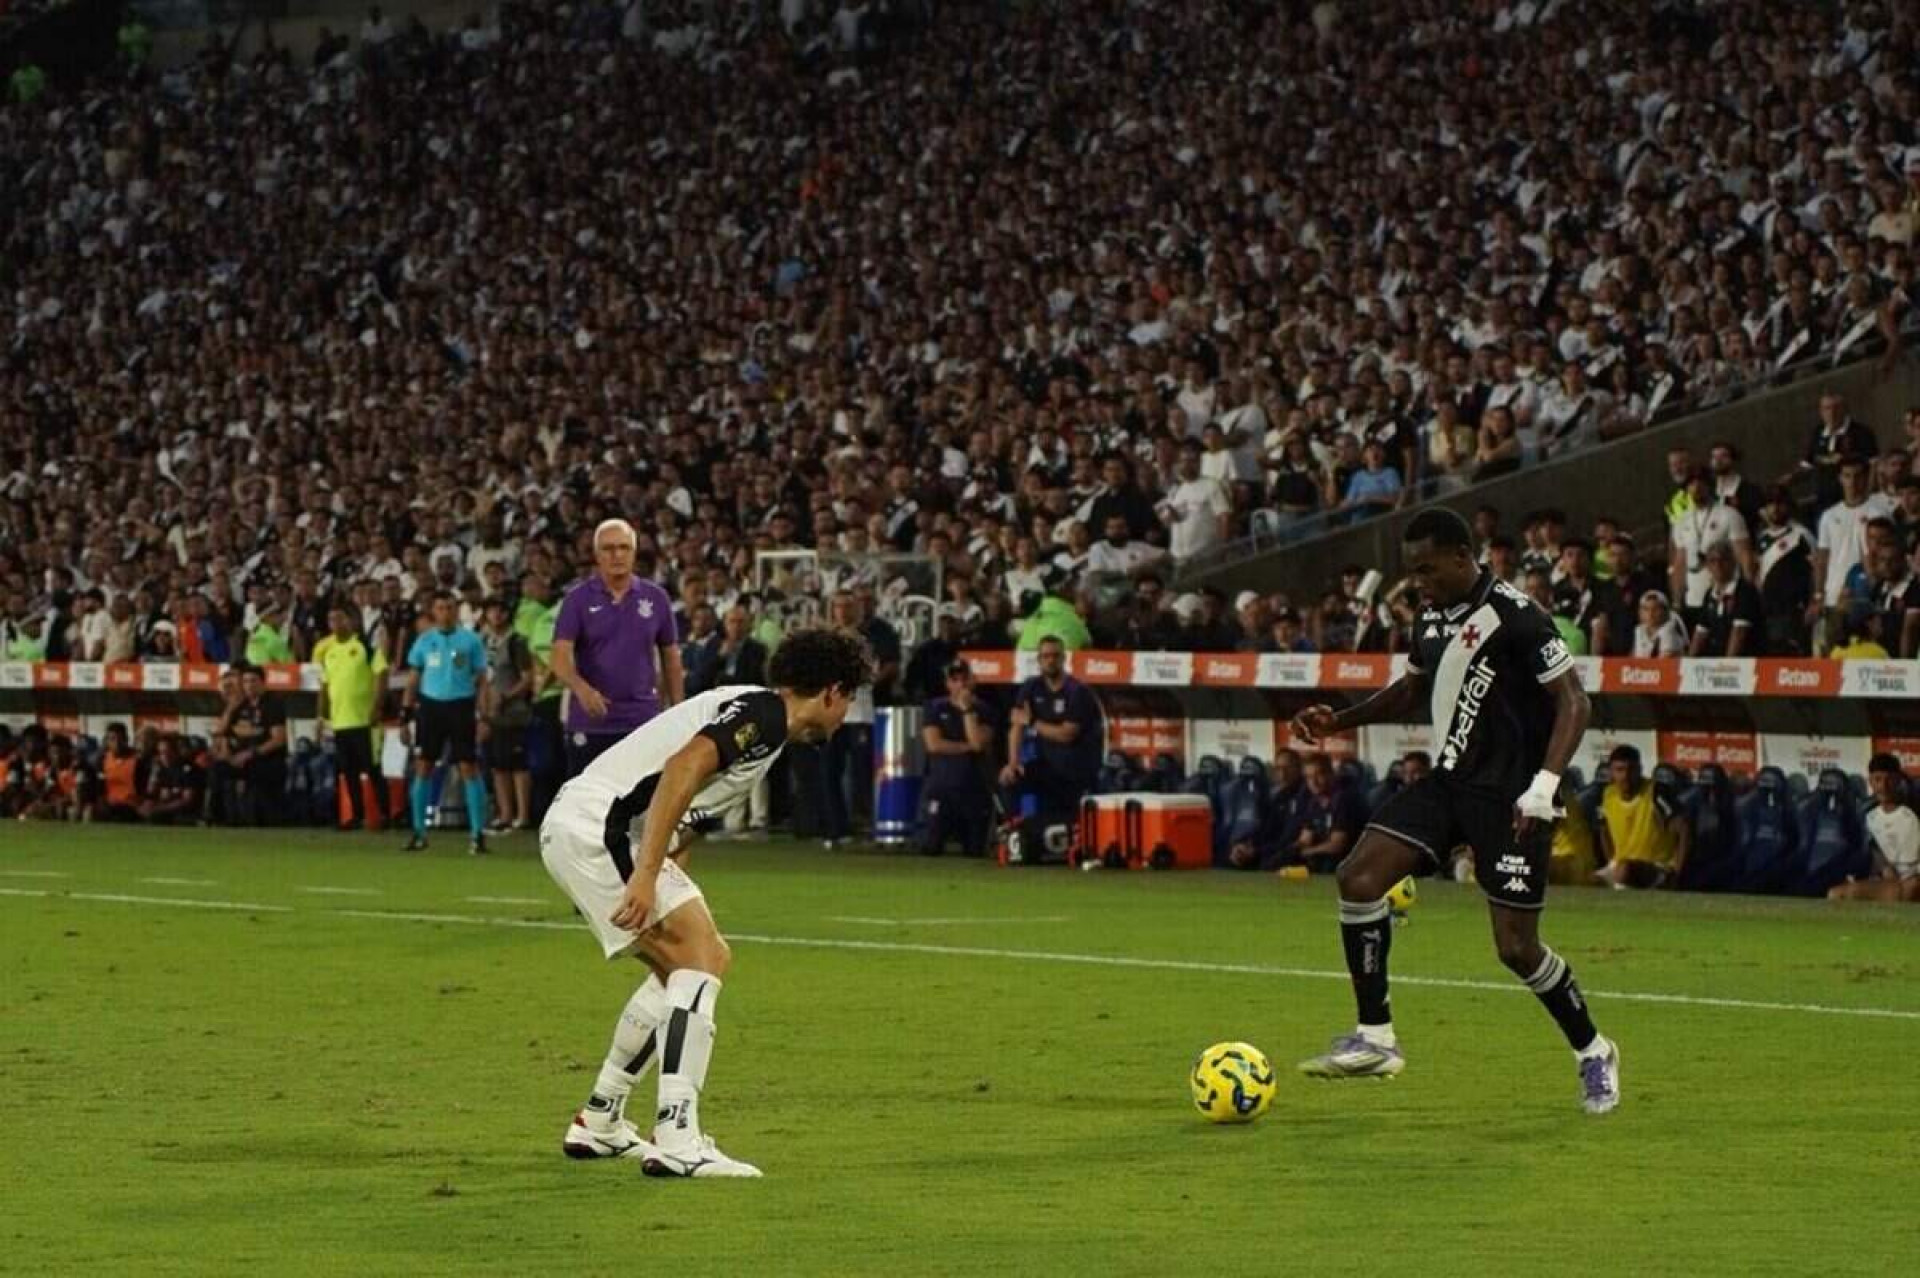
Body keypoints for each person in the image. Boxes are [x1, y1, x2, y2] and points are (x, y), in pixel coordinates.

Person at [1288, 506, 1618, 1114]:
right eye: (1413, 572)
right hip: (1447, 784)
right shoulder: (1432, 612)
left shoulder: (1518, 617)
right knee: (1358, 878)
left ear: (1464, 557)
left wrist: (1545, 785)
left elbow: (1575, 702)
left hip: (1514, 798)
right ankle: (1376, 1039)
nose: (1419, 582)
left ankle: (1594, 1050)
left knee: (1516, 949)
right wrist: (1341, 718)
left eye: (1427, 569)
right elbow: (1411, 688)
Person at [540, 628, 873, 1178]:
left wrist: (664, 870)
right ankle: (676, 1134)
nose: (847, 713)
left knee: (691, 965)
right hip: (600, 827)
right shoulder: (765, 714)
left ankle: (600, 1118)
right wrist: (646, 875)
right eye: (851, 698)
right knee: (702, 957)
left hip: (587, 827)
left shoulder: (759, 724)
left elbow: (683, 811)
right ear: (832, 691)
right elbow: (682, 768)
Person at [552, 520, 683, 777]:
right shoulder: (577, 600)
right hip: (591, 723)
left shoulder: (656, 598)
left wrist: (679, 711)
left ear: (634, 553)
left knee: (643, 805)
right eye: (608, 548)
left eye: (624, 547)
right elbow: (559, 657)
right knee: (587, 805)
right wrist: (582, 689)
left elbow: (671, 658)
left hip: (643, 721)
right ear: (596, 555)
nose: (617, 555)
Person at [401, 591, 492, 854]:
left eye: (450, 607)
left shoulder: (470, 640)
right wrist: (406, 713)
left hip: (461, 706)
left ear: (456, 610)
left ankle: (477, 834)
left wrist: (484, 715)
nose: (446, 612)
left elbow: (483, 680)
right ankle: (419, 832)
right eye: (441, 607)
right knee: (423, 766)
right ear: (433, 611)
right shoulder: (424, 641)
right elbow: (413, 678)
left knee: (469, 767)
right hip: (430, 707)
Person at [999, 636, 1104, 834]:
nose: (1050, 660)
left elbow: (1067, 734)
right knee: (1010, 779)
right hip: (1044, 766)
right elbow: (1016, 726)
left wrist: (1033, 722)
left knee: (1070, 826)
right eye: (1045, 656)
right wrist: (1013, 762)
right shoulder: (1031, 686)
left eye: (1055, 656)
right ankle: (1021, 830)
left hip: (1073, 772)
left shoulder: (1077, 691)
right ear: (1039, 660)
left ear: (1064, 658)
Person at [314, 605, 390, 832]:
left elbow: (381, 673)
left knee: (373, 769)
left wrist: (377, 706)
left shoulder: (364, 647)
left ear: (351, 621)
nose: (335, 624)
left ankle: (385, 814)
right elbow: (325, 685)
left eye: (340, 618)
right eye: (331, 619)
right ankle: (356, 815)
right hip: (340, 721)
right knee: (348, 771)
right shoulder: (328, 652)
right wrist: (321, 715)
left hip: (363, 720)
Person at [919, 660, 997, 857]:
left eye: (964, 679)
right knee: (931, 847)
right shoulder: (935, 707)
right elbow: (934, 744)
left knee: (974, 851)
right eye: (955, 680)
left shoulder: (985, 710)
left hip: (974, 790)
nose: (960, 685)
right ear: (948, 684)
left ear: (973, 681)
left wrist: (967, 711)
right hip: (942, 788)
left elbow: (978, 743)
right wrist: (967, 747)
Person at [1828, 756, 1919, 903]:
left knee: (1902, 889)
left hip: (1907, 881)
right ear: (1870, 781)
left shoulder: (1912, 814)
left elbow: (1910, 871)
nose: (1883, 786)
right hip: (1880, 880)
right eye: (1877, 780)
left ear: (1898, 781)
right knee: (1835, 893)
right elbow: (1867, 852)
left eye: (1889, 780)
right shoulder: (1868, 816)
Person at [1596, 746, 1687, 889]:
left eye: (1630, 770)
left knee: (1625, 870)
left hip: (1656, 866)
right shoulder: (1607, 795)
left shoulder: (1656, 792)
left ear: (1640, 769)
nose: (1625, 776)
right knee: (1587, 881)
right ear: (1611, 772)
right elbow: (1603, 830)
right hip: (1621, 864)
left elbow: (1683, 832)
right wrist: (1611, 861)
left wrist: (1677, 872)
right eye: (1619, 770)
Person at [481, 597, 535, 833]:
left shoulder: (516, 642)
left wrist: (507, 697)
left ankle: (522, 815)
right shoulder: (484, 643)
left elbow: (527, 677)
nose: (496, 616)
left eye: (500, 611)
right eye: (491, 611)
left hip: (514, 712)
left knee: (517, 765)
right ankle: (504, 814)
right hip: (492, 713)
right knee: (497, 765)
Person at [213, 665, 289, 827]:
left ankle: (255, 818)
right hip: (241, 758)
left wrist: (250, 753)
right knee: (217, 768)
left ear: (263, 682)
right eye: (246, 681)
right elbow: (221, 732)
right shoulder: (241, 704)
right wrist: (230, 709)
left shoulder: (272, 704)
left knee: (257, 771)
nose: (249, 685)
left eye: (253, 681)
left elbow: (279, 739)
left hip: (267, 759)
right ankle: (221, 818)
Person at [1689, 542, 1765, 656]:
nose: (1718, 565)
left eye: (1723, 559)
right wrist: (1688, 664)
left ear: (1733, 562)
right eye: (1713, 561)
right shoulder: (1709, 594)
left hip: (1745, 662)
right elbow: (1701, 632)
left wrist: (1726, 667)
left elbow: (1739, 633)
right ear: (1708, 566)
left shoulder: (1745, 591)